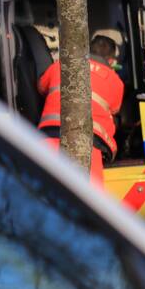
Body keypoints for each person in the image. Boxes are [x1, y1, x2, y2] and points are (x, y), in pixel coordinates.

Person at [36, 34, 124, 186]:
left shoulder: (61, 64)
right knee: (87, 195)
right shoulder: (115, 81)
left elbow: (41, 87)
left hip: (50, 136)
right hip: (87, 145)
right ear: (111, 61)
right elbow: (115, 109)